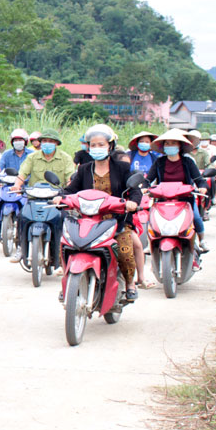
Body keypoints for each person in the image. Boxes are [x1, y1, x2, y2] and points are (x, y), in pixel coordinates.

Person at [61, 125, 142, 301]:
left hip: (116, 221)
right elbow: (70, 190)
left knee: (125, 250)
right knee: (67, 246)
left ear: (110, 146)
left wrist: (133, 202)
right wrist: (60, 198)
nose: (97, 148)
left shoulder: (121, 168)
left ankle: (130, 283)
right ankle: (67, 282)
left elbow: (135, 190)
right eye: (93, 145)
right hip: (88, 222)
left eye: (101, 144)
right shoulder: (84, 169)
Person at [11, 128, 75, 267]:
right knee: (22, 217)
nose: (47, 144)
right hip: (35, 197)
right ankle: (21, 247)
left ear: (56, 143)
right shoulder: (32, 157)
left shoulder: (65, 158)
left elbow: (70, 179)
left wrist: (68, 191)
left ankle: (65, 256)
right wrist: (17, 186)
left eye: (51, 141)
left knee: (65, 220)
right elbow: (22, 174)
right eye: (44, 141)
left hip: (56, 199)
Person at [145, 129, 209, 253]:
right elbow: (149, 179)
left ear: (180, 146)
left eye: (173, 143)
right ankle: (150, 243)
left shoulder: (188, 162)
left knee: (195, 217)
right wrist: (143, 187)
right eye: (167, 144)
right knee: (151, 219)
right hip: (163, 200)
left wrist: (203, 186)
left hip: (185, 199)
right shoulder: (159, 162)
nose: (170, 146)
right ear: (163, 146)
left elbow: (198, 179)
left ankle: (201, 240)